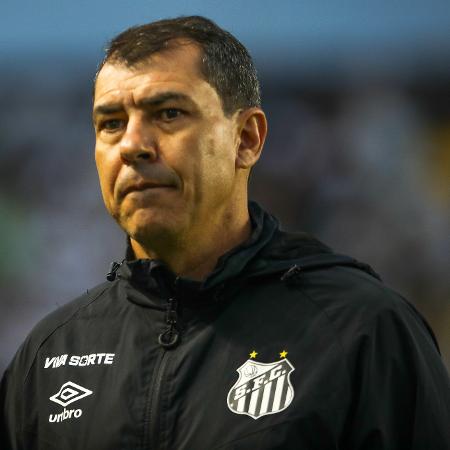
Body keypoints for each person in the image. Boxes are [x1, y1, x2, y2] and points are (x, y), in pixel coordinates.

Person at [1, 15, 449, 450]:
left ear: (247, 139)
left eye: (169, 113)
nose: (133, 145)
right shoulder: (50, 353)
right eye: (111, 123)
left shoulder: (361, 329)